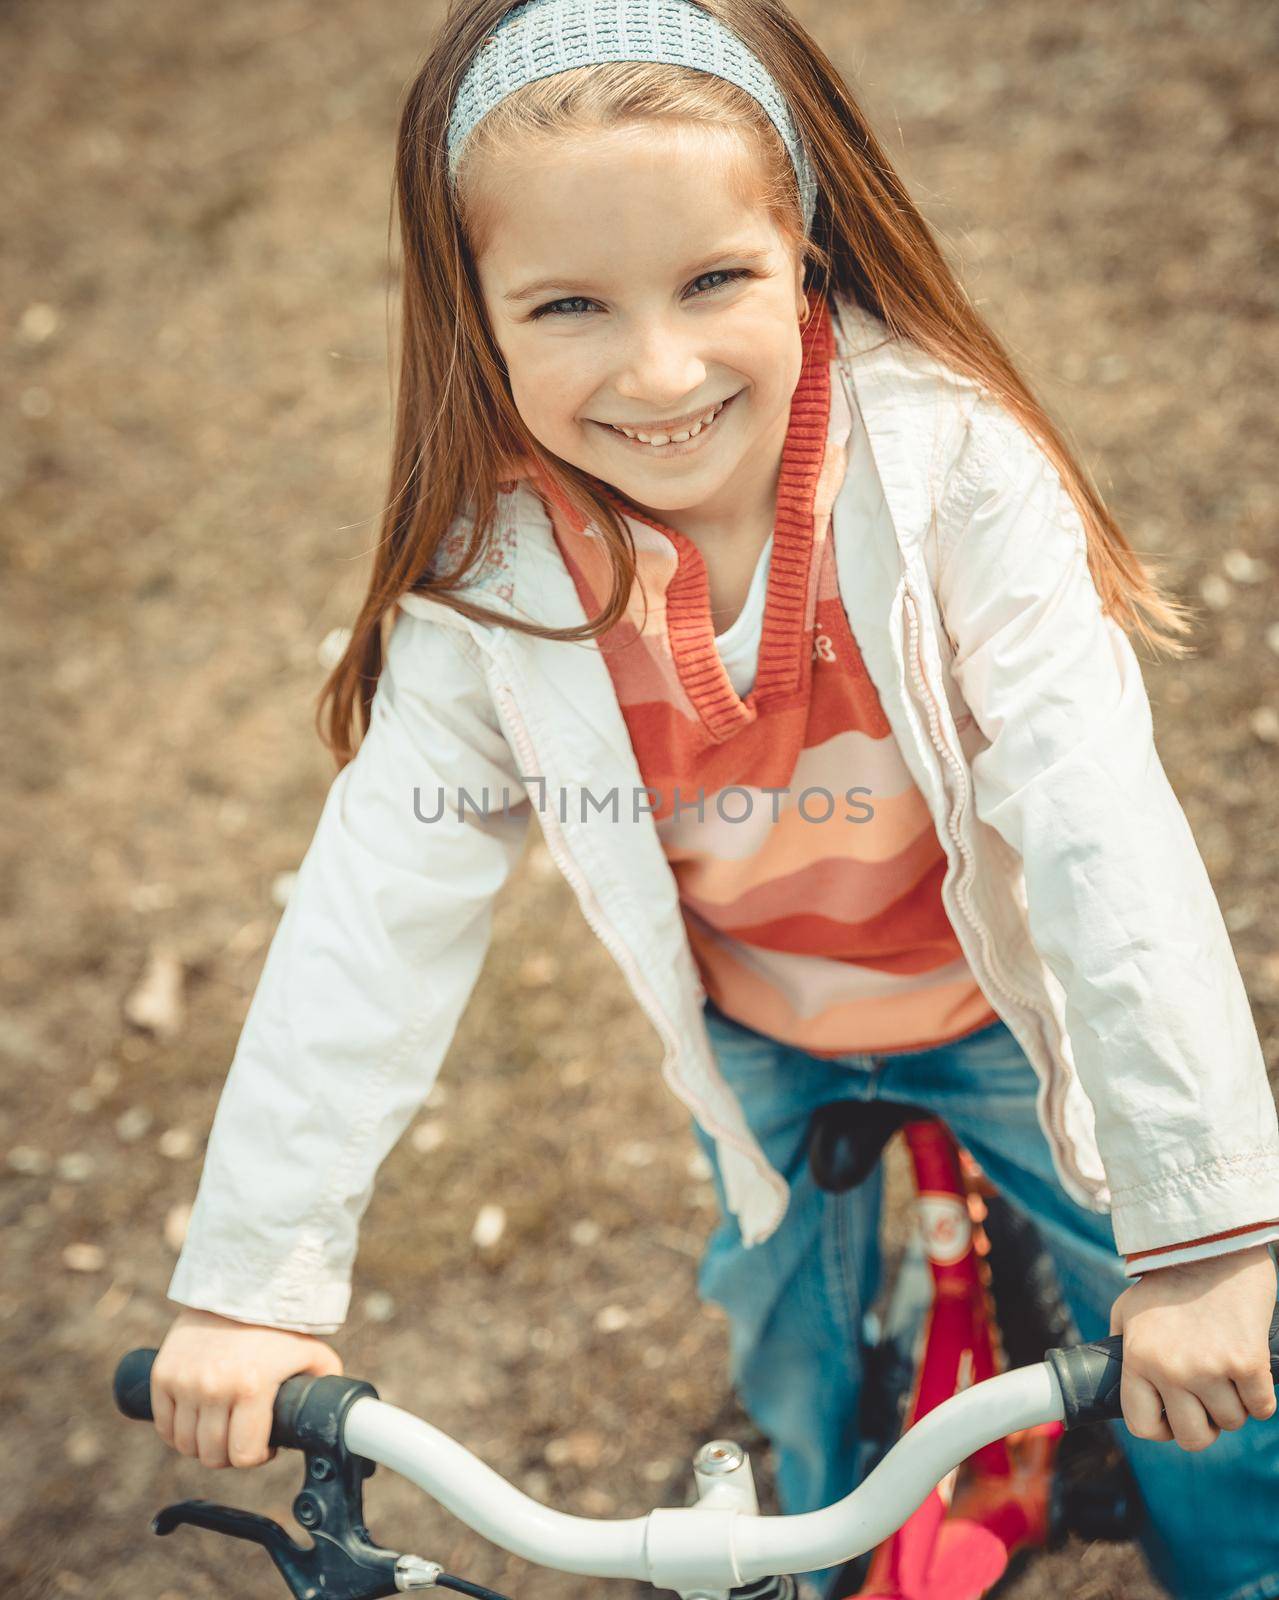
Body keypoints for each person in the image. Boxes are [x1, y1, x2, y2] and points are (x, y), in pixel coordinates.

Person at [150, 2, 1279, 1596]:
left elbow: (1098, 827)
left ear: (804, 249)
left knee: (1184, 1363)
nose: (659, 370)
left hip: (998, 1013)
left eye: (713, 280)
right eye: (567, 304)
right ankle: (808, 1559)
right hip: (762, 1032)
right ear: (473, 314)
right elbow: (373, 915)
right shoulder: (492, 583)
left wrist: (1207, 1239)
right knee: (791, 1362)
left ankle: (1236, 1569)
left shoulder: (956, 475)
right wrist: (256, 1279)